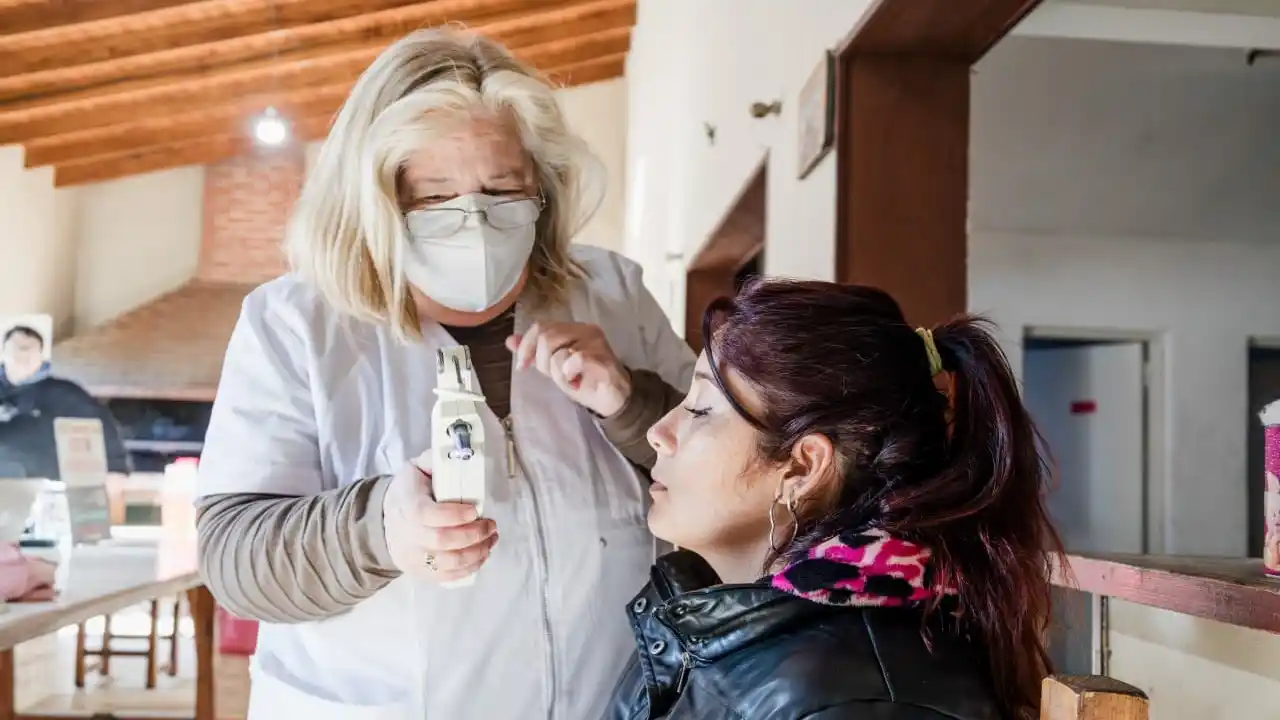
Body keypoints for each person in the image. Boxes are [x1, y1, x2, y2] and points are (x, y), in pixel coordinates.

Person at [194, 28, 693, 720]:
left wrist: (632, 406)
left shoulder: (612, 293)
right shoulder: (295, 325)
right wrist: (379, 532)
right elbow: (234, 559)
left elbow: (727, 481)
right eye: (433, 196)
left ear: (542, 186)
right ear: (375, 200)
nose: (474, 220)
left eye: (502, 188)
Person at [604, 280, 1064, 720]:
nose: (658, 433)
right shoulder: (722, 629)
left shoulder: (859, 705)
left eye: (701, 409)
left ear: (803, 468)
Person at [0, 325, 131, 481]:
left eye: (31, 350)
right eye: (18, 348)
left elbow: (100, 427)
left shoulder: (65, 394)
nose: (24, 355)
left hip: (45, 487)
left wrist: (115, 468)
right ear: (3, 352)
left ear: (41, 358)